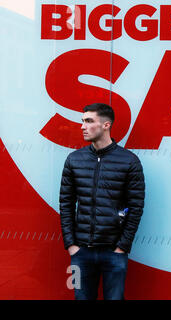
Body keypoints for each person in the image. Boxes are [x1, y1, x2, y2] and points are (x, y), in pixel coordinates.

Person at [59, 103, 145, 300]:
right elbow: (66, 203)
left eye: (89, 121)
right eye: (83, 121)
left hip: (114, 253)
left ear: (106, 125)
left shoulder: (129, 161)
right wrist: (71, 244)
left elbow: (136, 207)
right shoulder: (74, 160)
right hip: (81, 253)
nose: (83, 126)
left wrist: (122, 247)